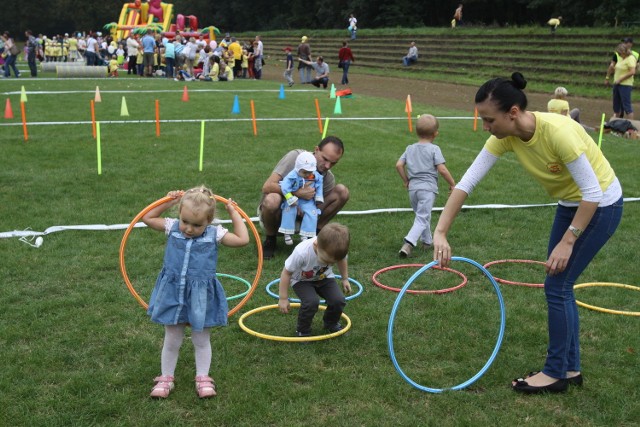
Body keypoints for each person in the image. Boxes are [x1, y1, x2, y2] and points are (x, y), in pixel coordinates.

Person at [433, 72, 623, 394]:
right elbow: (466, 183)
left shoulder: (558, 133)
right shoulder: (503, 138)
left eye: (489, 119)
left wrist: (568, 240)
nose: (486, 126)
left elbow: (591, 192)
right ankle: (569, 368)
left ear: (513, 113)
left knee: (558, 284)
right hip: (570, 203)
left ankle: (555, 373)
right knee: (559, 284)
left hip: (600, 204)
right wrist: (440, 231)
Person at [142, 186, 250, 398]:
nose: (189, 229)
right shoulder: (172, 227)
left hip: (201, 296)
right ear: (179, 215)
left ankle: (203, 378)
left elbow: (242, 239)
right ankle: (166, 378)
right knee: (172, 338)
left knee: (201, 339)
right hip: (173, 292)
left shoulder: (215, 234)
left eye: (197, 224)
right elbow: (147, 217)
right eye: (185, 221)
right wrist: (169, 201)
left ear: (209, 221)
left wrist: (234, 213)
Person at [259, 136, 350, 259]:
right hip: (281, 211)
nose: (328, 166)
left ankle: (316, 235)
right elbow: (267, 186)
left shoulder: (327, 178)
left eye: (333, 163)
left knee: (342, 192)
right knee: (272, 199)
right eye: (325, 159)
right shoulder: (295, 157)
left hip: (305, 214)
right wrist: (297, 193)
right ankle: (270, 240)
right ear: (316, 150)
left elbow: (319, 205)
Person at [396, 114, 456, 258]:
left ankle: (427, 241)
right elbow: (441, 169)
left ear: (417, 132)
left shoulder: (409, 148)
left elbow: (399, 165)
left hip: (413, 190)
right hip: (427, 189)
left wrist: (406, 180)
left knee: (422, 215)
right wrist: (453, 184)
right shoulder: (434, 149)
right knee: (422, 217)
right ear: (435, 133)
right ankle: (408, 243)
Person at [277, 223, 352, 337]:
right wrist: (283, 298)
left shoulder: (338, 250)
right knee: (311, 302)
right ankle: (303, 330)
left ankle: (331, 323)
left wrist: (345, 279)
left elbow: (342, 260)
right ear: (316, 245)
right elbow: (286, 273)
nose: (329, 264)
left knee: (338, 300)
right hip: (301, 280)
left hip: (324, 277)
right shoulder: (301, 252)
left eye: (332, 263)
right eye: (325, 260)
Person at [279, 152, 324, 245]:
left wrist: (318, 197)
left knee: (312, 213)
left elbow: (319, 183)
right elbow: (284, 186)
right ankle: (287, 233)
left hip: (307, 201)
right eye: (304, 172)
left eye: (310, 172)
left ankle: (305, 234)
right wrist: (289, 197)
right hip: (293, 198)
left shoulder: (314, 175)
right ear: (298, 168)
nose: (308, 175)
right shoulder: (292, 175)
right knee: (289, 210)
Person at [605, 43, 637, 121]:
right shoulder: (621, 58)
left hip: (625, 85)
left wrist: (621, 79)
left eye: (619, 53)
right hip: (617, 84)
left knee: (626, 105)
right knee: (616, 105)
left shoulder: (631, 58)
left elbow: (632, 71)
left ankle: (631, 125)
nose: (618, 55)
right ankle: (616, 123)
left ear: (624, 52)